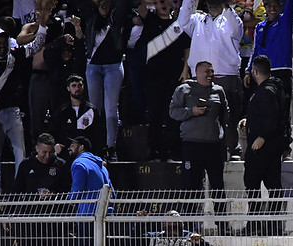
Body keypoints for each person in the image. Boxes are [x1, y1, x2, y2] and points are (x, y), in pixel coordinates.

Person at [178, 0, 244, 160]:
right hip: (200, 80)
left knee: (229, 118)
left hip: (226, 77)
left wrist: (226, 6)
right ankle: (206, 154)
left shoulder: (230, 20)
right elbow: (182, 21)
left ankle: (233, 149)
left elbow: (237, 29)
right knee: (203, 120)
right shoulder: (197, 21)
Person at [169, 61, 230, 230]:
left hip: (213, 145)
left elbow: (226, 114)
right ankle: (189, 224)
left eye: (212, 71)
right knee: (191, 185)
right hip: (192, 144)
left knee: (218, 185)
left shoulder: (219, 91)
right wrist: (191, 112)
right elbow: (173, 112)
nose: (210, 74)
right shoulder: (184, 89)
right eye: (206, 71)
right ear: (197, 72)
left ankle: (222, 224)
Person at [0, 7, 51, 193]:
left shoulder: (14, 55)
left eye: (4, 42)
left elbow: (35, 46)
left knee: (21, 153)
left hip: (12, 111)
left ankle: (22, 193)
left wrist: (42, 25)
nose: (2, 46)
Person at [77, 0, 132, 161]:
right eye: (101, 4)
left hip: (113, 66)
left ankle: (111, 147)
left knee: (110, 108)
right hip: (93, 66)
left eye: (107, 3)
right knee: (95, 108)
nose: (104, 7)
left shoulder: (117, 16)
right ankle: (95, 144)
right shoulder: (90, 16)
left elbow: (122, 6)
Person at [240, 55, 289, 236]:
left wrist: (261, 136)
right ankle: (271, 224)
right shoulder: (274, 88)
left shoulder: (266, 91)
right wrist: (249, 120)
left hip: (262, 147)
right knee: (272, 184)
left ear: (254, 71)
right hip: (272, 146)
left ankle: (257, 223)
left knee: (253, 183)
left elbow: (272, 116)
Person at [137, 0, 191, 162]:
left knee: (172, 115)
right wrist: (154, 3)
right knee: (155, 114)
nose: (163, 5)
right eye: (161, 2)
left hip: (174, 76)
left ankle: (172, 150)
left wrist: (185, 69)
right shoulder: (151, 19)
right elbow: (141, 7)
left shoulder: (178, 25)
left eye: (167, 2)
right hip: (153, 76)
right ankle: (155, 150)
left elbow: (186, 48)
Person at [244, 0, 293, 158]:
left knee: (283, 110)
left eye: (275, 5)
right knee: (266, 110)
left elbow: (289, 4)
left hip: (282, 70)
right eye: (268, 5)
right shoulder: (260, 27)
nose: (272, 8)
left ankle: (285, 147)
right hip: (264, 73)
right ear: (264, 8)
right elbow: (255, 50)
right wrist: (248, 70)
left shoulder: (284, 20)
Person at [68, 135, 114, 246]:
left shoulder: (79, 164)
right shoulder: (102, 166)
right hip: (105, 214)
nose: (70, 148)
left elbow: (77, 188)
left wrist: (70, 200)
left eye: (73, 145)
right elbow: (111, 191)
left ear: (81, 147)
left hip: (88, 215)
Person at [51, 74, 106, 158]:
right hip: (66, 154)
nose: (77, 88)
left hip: (88, 154)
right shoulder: (62, 111)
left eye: (80, 85)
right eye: (74, 86)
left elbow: (99, 135)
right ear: (68, 88)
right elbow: (56, 132)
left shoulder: (91, 110)